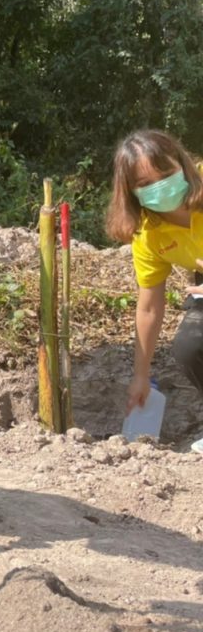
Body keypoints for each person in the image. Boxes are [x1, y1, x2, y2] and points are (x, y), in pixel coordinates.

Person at [105, 129, 203, 454]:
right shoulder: (147, 234)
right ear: (130, 192)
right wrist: (141, 376)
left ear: (183, 166)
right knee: (191, 346)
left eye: (165, 175)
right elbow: (149, 308)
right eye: (145, 184)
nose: (159, 187)